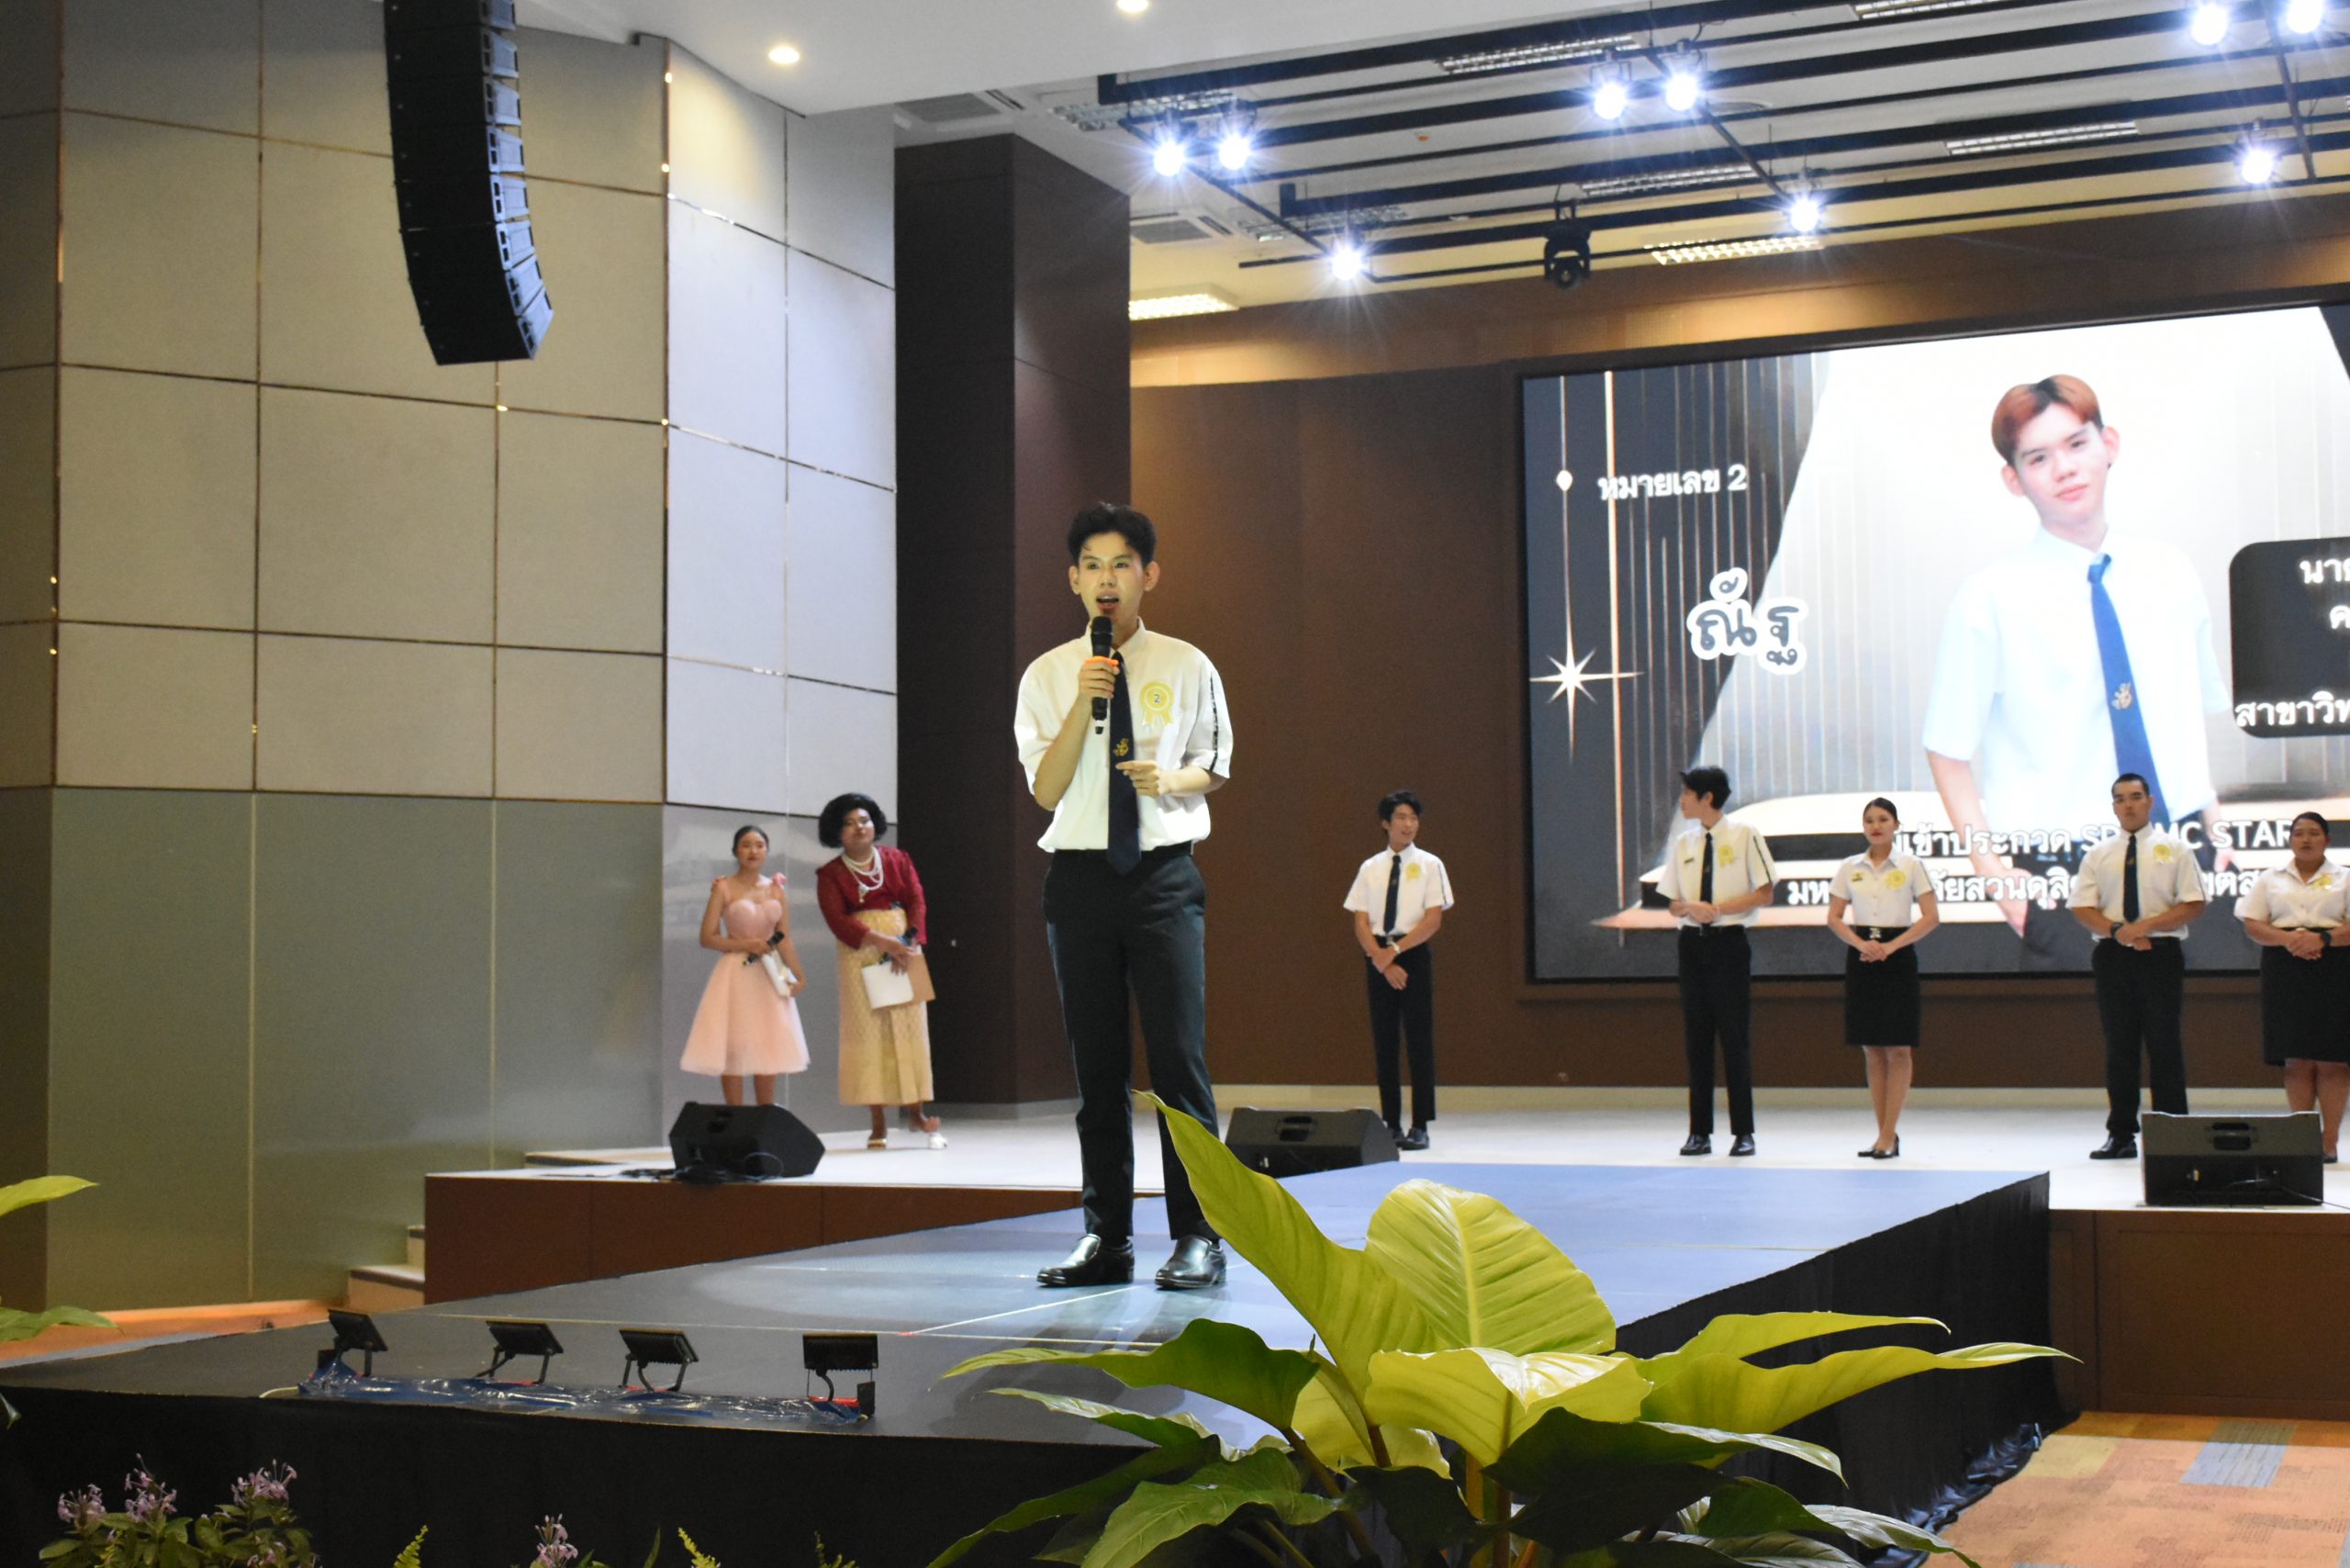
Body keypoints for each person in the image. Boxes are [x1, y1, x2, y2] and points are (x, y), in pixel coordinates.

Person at [1922, 375, 2227, 968]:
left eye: (2077, 444)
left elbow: (2187, 713)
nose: (2064, 468)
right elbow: (1946, 749)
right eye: (2038, 458)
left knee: (2211, 1023)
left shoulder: (2171, 572)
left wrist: (2216, 826)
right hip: (2065, 875)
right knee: (2080, 1029)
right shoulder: (1988, 599)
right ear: (2014, 479)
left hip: (2187, 859)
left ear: (2109, 445)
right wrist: (1995, 877)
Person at [1014, 502, 1234, 1291]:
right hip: (1078, 880)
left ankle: (1200, 1234)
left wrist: (1170, 779)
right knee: (1097, 1070)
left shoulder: (1187, 663)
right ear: (1074, 579)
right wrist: (1086, 697)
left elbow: (1215, 763)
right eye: (1092, 566)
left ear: (1150, 575)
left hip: (1163, 876)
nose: (1107, 579)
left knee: (1179, 1063)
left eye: (1122, 565)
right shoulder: (1048, 675)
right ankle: (1106, 1237)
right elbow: (1045, 789)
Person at [2067, 772, 2206, 1158]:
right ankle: (2121, 1134)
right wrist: (2119, 932)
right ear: (2114, 806)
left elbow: (2193, 903)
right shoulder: (2098, 854)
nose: (2128, 805)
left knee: (2164, 1044)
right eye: (2120, 799)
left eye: (2135, 797)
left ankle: (2173, 1134)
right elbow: (2082, 907)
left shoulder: (2176, 849)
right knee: (2120, 1046)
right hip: (2113, 956)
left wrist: (2144, 928)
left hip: (2160, 954)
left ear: (2149, 801)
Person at [813, 792, 946, 1152]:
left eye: (864, 820)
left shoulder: (897, 859)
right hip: (861, 953)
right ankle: (878, 1122)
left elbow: (916, 900)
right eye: (849, 823)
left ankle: (916, 1113)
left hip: (905, 949)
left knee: (910, 1028)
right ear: (837, 832)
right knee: (869, 1032)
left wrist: (908, 942)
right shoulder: (830, 874)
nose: (859, 828)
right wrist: (882, 941)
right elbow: (837, 920)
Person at [1655, 766, 1776, 1157]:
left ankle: (1744, 1132)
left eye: (1687, 793)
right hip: (1692, 945)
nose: (1682, 800)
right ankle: (1699, 1132)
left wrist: (1719, 909)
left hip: (1729, 944)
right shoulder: (1684, 843)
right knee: (1697, 1039)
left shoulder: (1744, 835)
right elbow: (1673, 903)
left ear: (1707, 797)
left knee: (1734, 1038)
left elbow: (1764, 893)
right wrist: (1690, 908)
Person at [1825, 797, 1941, 1159]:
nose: (1876, 826)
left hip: (1898, 954)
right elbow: (1834, 917)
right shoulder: (1850, 867)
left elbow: (1931, 916)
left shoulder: (1911, 865)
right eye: (1870, 820)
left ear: (1896, 825)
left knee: (1898, 1047)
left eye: (1883, 819)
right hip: (1862, 955)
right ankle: (1883, 1135)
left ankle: (1889, 1135)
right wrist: (1862, 943)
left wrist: (1890, 947)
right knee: (1872, 1048)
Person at [2234, 811, 2350, 1164]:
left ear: (2327, 840)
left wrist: (2322, 939)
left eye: (2314, 833)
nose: (2306, 839)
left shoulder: (2345, 877)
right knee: (2297, 1058)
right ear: (2290, 840)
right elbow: (2253, 924)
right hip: (2285, 967)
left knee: (2332, 1060)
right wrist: (2291, 941)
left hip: (2335, 966)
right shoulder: (2270, 878)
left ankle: (2329, 1142)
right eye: (2299, 833)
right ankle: (2302, 1140)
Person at [1342, 790, 1454, 1151]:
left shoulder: (1431, 864)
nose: (1409, 825)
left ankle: (1420, 1124)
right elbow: (1360, 920)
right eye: (1401, 818)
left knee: (1419, 1040)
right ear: (1385, 823)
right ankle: (1390, 1123)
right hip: (1377, 955)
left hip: (1412, 953)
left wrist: (1393, 954)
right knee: (1385, 1041)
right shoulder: (1370, 868)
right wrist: (1379, 958)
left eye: (1413, 818)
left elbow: (1432, 919)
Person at [679, 824, 810, 1105]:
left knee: (768, 1041)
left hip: (770, 972)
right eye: (746, 845)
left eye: (760, 845)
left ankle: (765, 1116)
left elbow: (784, 937)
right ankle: (735, 1116)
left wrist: (797, 973)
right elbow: (707, 937)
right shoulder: (723, 887)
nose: (753, 851)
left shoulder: (776, 889)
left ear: (767, 851)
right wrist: (747, 944)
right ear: (736, 851)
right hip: (735, 972)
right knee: (734, 1044)